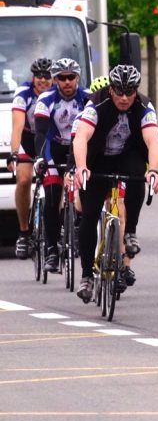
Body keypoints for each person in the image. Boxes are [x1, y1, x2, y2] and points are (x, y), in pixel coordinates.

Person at [72, 65, 158, 302]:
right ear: (110, 90)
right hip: (98, 158)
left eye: (129, 92)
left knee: (138, 175)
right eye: (119, 92)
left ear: (136, 90)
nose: (124, 98)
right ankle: (86, 276)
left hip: (127, 155)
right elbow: (81, 136)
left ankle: (130, 231)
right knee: (89, 216)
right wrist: (81, 167)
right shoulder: (96, 103)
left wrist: (154, 170)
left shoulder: (144, 105)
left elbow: (153, 141)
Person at [34, 58, 90, 273]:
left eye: (71, 77)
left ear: (77, 78)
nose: (67, 82)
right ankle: (51, 250)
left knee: (83, 191)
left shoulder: (87, 98)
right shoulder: (46, 99)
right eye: (62, 78)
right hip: (55, 147)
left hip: (78, 147)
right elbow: (40, 133)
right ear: (55, 80)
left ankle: (78, 226)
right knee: (52, 196)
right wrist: (40, 158)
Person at [8, 57, 53, 260]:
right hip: (28, 139)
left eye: (47, 76)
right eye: (39, 76)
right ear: (33, 78)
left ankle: (57, 226)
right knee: (24, 180)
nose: (43, 80)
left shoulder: (56, 93)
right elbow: (17, 126)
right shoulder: (23, 94)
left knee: (55, 182)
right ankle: (24, 233)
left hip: (49, 140)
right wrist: (14, 152)